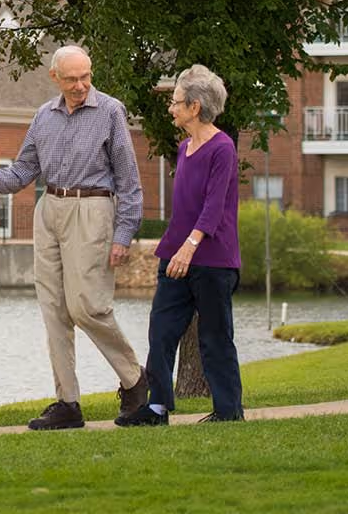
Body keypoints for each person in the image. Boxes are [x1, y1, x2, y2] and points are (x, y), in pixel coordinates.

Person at [0, 45, 148, 430]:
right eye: (72, 79)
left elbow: (130, 183)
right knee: (54, 310)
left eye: (86, 76)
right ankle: (67, 403)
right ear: (55, 78)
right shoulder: (43, 117)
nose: (81, 85)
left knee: (87, 306)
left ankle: (134, 378)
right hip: (49, 209)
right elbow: (19, 175)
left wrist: (124, 234)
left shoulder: (111, 112)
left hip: (93, 209)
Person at [117, 64, 243, 426]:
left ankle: (228, 411)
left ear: (194, 107)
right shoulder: (185, 147)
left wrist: (190, 247)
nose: (170, 108)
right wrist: (177, 249)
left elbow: (213, 206)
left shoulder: (223, 148)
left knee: (215, 337)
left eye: (175, 102)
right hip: (175, 255)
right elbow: (187, 207)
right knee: (161, 330)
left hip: (213, 260)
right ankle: (157, 408)